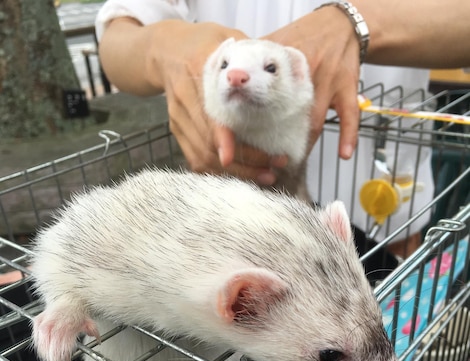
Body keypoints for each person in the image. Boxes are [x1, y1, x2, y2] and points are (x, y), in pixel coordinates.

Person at [93, 1, 470, 256]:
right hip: (229, 227)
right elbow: (118, 35)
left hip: (386, 221)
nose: (236, 77)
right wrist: (160, 45)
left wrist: (358, 20)